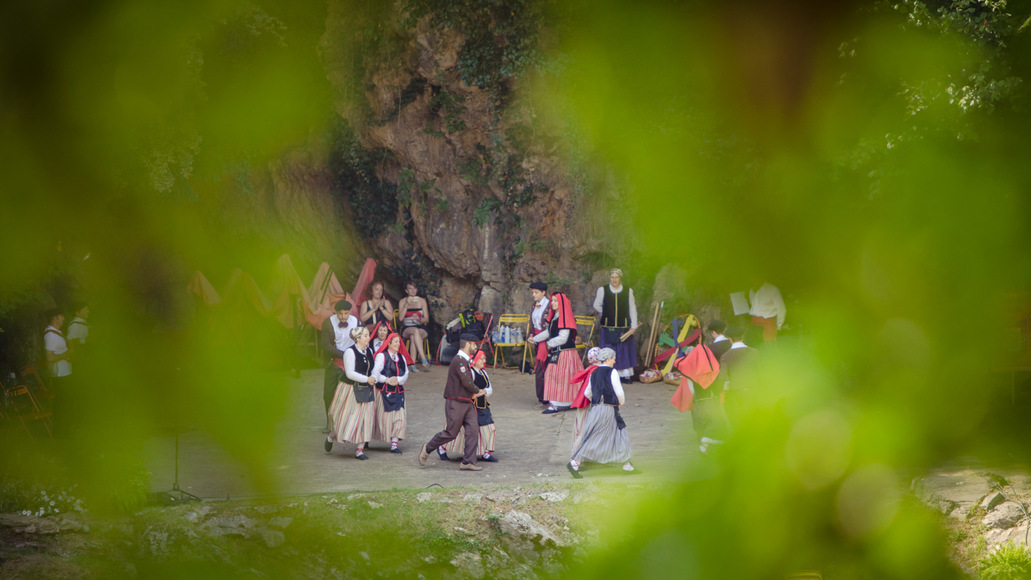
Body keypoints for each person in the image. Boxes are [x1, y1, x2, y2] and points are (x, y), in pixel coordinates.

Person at [418, 333, 487, 471]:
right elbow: (467, 381)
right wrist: (477, 390)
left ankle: (468, 461)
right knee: (451, 433)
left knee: (473, 430)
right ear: (467, 344)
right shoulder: (459, 360)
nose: (476, 347)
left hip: (466, 402)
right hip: (456, 402)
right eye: (474, 344)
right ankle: (427, 448)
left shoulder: (463, 360)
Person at [568, 348, 634, 478]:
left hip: (596, 408)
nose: (615, 360)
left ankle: (627, 465)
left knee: (618, 433)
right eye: (614, 358)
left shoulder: (594, 372)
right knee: (603, 435)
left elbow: (587, 393)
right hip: (608, 408)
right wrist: (620, 402)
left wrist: (597, 397)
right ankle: (575, 462)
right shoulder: (612, 372)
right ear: (609, 358)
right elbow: (619, 392)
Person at [325, 326, 377, 460]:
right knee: (345, 418)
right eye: (365, 336)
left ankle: (359, 450)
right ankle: (332, 435)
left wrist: (375, 377)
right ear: (358, 338)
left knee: (365, 419)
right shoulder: (350, 352)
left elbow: (373, 368)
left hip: (366, 389)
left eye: (368, 335)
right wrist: (367, 379)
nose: (368, 338)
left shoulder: (369, 351)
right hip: (349, 389)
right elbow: (350, 373)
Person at [528, 292, 583, 414]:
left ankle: (559, 404)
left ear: (562, 303)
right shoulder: (555, 316)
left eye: (555, 301)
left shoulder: (565, 317)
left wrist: (549, 343)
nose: (552, 303)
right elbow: (548, 332)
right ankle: (559, 403)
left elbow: (563, 337)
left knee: (559, 377)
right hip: (558, 352)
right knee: (556, 376)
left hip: (565, 353)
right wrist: (535, 339)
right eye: (552, 300)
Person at [440, 350, 498, 462]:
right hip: (470, 406)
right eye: (481, 358)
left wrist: (484, 392)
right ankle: (442, 447)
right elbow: (465, 386)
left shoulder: (484, 373)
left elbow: (490, 389)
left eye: (484, 358)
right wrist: (473, 393)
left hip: (483, 406)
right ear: (475, 361)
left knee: (490, 428)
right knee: (461, 431)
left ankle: (487, 452)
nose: (484, 361)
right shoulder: (469, 373)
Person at [593, 268, 639, 383]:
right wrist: (607, 313)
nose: (614, 280)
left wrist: (634, 325)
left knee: (624, 351)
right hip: (609, 327)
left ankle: (626, 376)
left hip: (624, 327)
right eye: (612, 277)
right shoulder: (603, 290)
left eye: (616, 277)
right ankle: (610, 375)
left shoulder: (628, 291)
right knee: (609, 350)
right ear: (610, 278)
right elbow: (596, 305)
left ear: (620, 278)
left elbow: (632, 308)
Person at [321, 300, 360, 431]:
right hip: (334, 361)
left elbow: (362, 340)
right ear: (335, 312)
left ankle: (349, 422)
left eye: (346, 313)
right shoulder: (328, 322)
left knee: (351, 393)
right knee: (329, 393)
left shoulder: (356, 322)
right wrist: (344, 354)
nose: (343, 316)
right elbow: (326, 346)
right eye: (340, 314)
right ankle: (330, 422)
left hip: (352, 362)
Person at [371, 332, 411, 454]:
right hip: (383, 391)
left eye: (399, 342)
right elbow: (375, 372)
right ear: (388, 343)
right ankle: (367, 439)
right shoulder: (381, 357)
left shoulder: (402, 358)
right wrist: (386, 380)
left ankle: (394, 444)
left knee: (400, 417)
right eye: (395, 342)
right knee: (380, 418)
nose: (398, 344)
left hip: (398, 391)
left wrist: (398, 380)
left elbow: (406, 373)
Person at [719, 326, 760, 428]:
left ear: (730, 339)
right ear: (743, 336)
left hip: (735, 391)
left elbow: (722, 378)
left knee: (737, 419)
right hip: (753, 389)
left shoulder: (725, 356)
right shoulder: (754, 352)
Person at [569, 347, 601, 450]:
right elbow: (589, 391)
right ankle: (578, 455)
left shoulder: (590, 369)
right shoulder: (597, 371)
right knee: (585, 430)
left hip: (583, 402)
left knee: (581, 428)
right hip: (588, 403)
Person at [398, 280, 431, 368]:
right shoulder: (402, 301)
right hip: (407, 328)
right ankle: (423, 358)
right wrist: (406, 304)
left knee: (413, 336)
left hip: (420, 327)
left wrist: (419, 319)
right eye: (410, 288)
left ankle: (412, 365)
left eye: (415, 288)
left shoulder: (422, 301)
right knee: (414, 331)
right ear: (406, 291)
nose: (413, 291)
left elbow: (426, 319)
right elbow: (401, 318)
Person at [528, 281, 551, 406]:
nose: (534, 295)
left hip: (546, 341)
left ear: (543, 292)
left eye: (536, 292)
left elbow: (549, 329)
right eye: (533, 292)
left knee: (542, 369)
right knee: (542, 369)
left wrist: (536, 338)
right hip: (537, 339)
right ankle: (544, 397)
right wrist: (531, 335)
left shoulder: (549, 306)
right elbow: (533, 323)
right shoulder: (534, 305)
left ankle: (543, 398)